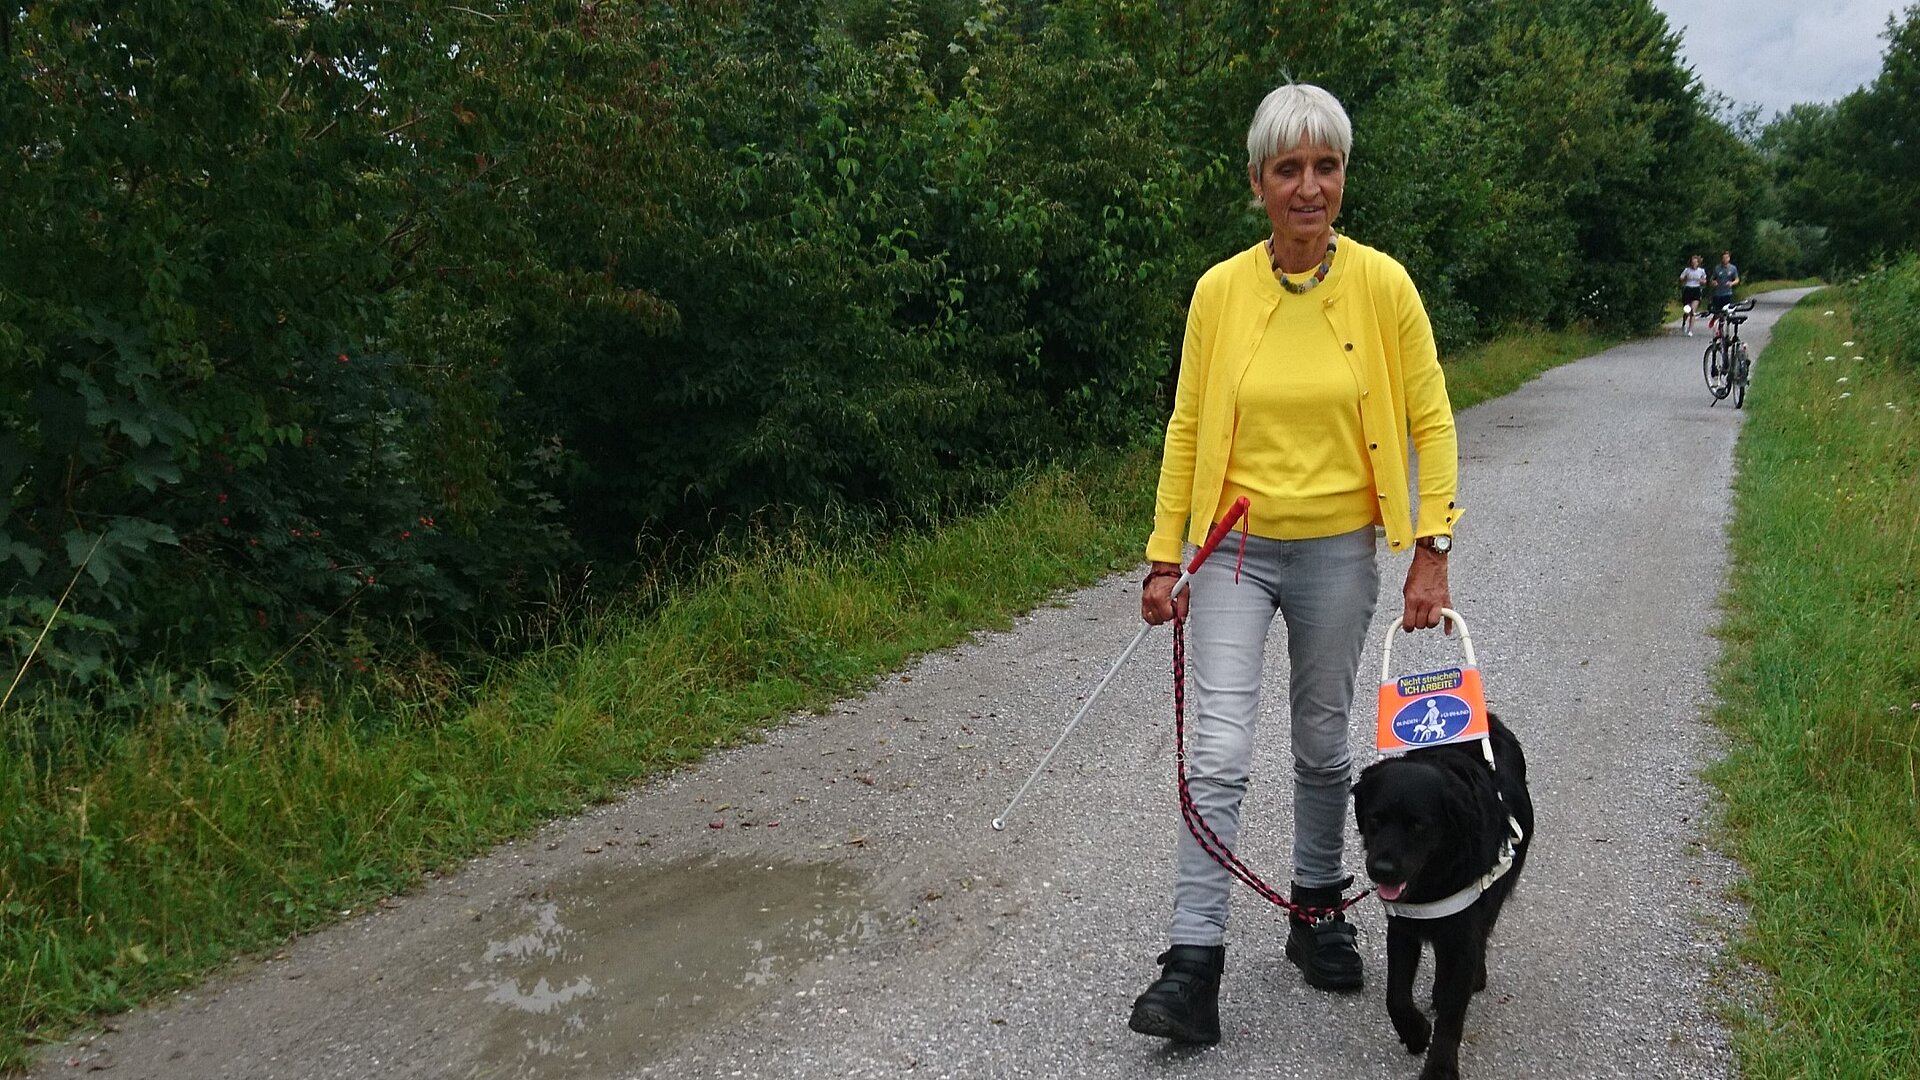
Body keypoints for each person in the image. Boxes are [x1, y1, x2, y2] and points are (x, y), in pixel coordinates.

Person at [1127, 82, 1461, 1046]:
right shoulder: (1219, 292)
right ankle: (1192, 966)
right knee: (1221, 749)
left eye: (1325, 167)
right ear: (1258, 184)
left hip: (1338, 549)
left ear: (1343, 178)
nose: (1308, 187)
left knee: (1322, 744)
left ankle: (1317, 912)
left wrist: (1430, 550)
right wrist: (1163, 557)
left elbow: (1430, 421)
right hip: (1231, 548)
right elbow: (1187, 427)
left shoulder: (1385, 286)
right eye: (1288, 169)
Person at [1678, 254, 1707, 336]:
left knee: (1693, 312)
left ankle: (1690, 330)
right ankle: (1684, 322)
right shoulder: (1687, 270)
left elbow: (1705, 281)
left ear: (1698, 263)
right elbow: (1681, 278)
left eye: (1695, 262)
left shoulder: (1701, 271)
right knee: (1687, 310)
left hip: (1696, 290)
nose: (1694, 264)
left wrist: (1701, 280)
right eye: (1692, 262)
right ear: (1690, 263)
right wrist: (1685, 278)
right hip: (1688, 289)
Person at [1709, 250, 1740, 318]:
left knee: (1726, 311)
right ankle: (1718, 322)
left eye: (1727, 258)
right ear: (1721, 259)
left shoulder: (1733, 268)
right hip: (1718, 294)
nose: (1725, 259)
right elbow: (1712, 279)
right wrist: (1713, 282)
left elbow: (1737, 279)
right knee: (1717, 312)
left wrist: (1732, 283)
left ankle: (1724, 323)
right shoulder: (1717, 268)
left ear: (1729, 258)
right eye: (1724, 258)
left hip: (1728, 293)